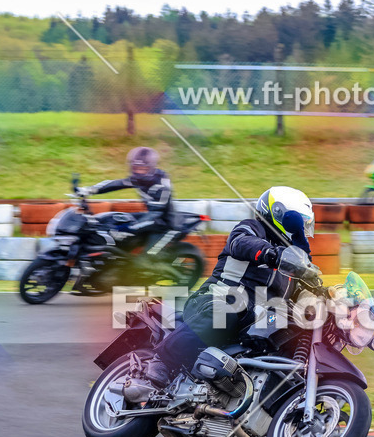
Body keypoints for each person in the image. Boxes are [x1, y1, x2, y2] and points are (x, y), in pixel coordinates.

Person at [123, 186, 317, 402]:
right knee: (229, 309)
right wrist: (271, 253)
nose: (302, 230)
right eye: (299, 223)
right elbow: (240, 243)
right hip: (215, 299)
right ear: (279, 215)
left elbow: (305, 297)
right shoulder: (252, 229)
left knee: (290, 329)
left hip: (253, 317)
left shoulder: (291, 270)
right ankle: (162, 360)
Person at [75, 146, 173, 254]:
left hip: (165, 223)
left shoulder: (162, 184)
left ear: (151, 168)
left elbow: (156, 213)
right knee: (111, 219)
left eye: (142, 169)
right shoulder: (137, 179)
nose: (138, 172)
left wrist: (130, 228)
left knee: (148, 257)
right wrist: (88, 190)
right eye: (136, 168)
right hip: (151, 216)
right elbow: (116, 184)